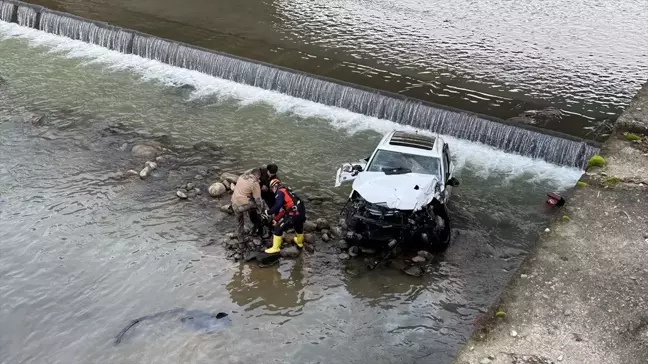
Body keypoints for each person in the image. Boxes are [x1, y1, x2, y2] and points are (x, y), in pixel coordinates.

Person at [264, 178, 306, 254]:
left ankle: (275, 248)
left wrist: (269, 212)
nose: (272, 191)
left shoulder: (279, 192)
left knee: (278, 229)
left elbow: (278, 205)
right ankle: (299, 243)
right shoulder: (287, 191)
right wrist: (276, 219)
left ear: (274, 186)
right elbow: (286, 209)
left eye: (271, 189)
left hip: (293, 215)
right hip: (301, 213)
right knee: (298, 228)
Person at [230, 169, 265, 243]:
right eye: (259, 178)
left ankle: (241, 239)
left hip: (234, 203)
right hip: (242, 206)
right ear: (258, 176)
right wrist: (260, 210)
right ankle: (258, 224)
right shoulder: (255, 183)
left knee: (240, 222)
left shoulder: (241, 176)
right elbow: (258, 200)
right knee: (258, 203)